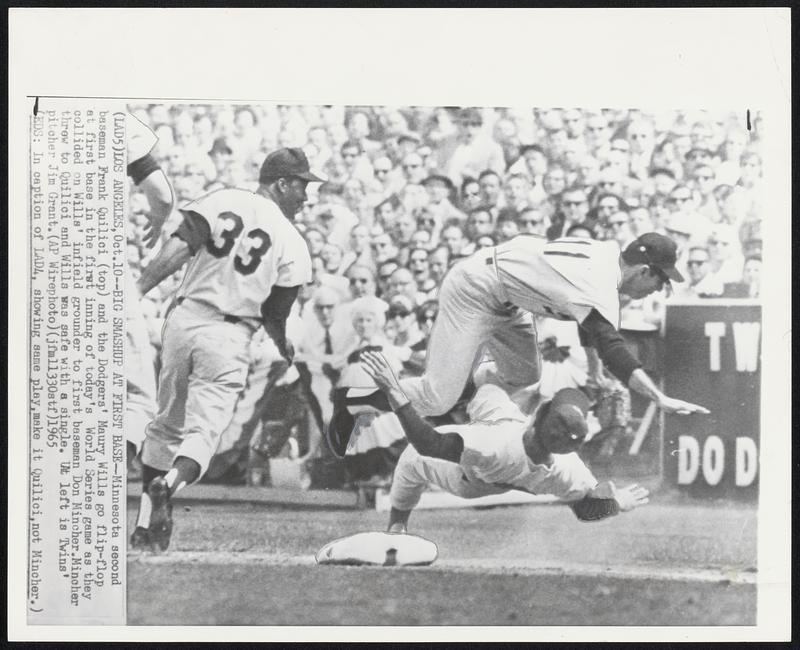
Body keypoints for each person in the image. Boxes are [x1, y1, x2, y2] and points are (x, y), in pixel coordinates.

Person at [327, 232, 709, 458]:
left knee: (526, 373)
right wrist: (659, 397)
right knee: (436, 398)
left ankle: (461, 380)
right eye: (660, 281)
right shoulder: (598, 283)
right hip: (476, 288)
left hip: (508, 295)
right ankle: (357, 400)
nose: (659, 289)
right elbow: (613, 347)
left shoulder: (608, 252)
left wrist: (593, 373)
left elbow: (587, 325)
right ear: (643, 271)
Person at [130, 147, 324, 551]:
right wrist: (285, 350)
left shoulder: (223, 198)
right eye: (302, 185)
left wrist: (138, 290)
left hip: (183, 320)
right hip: (231, 334)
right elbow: (276, 316)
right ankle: (169, 484)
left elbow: (180, 247)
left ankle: (145, 527)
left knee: (165, 426)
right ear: (281, 182)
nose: (306, 196)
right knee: (204, 433)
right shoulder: (294, 242)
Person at [358, 351, 650, 534]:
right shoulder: (568, 469)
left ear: (537, 416)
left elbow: (427, 445)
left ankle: (397, 527)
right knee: (492, 387)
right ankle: (477, 375)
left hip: (469, 477)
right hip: (506, 441)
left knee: (411, 459)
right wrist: (615, 503)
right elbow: (585, 509)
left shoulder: (492, 444)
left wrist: (395, 391)